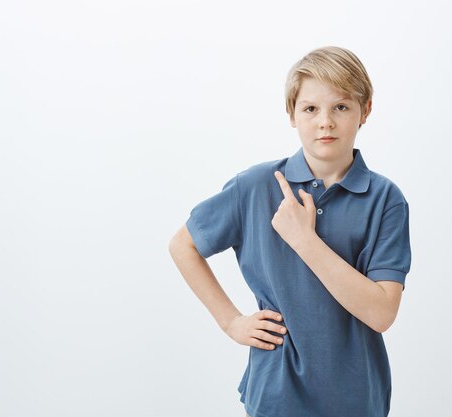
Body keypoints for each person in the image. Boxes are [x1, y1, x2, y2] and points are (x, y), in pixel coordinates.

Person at [168, 46, 411, 417]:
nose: (325, 122)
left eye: (341, 107)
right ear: (292, 114)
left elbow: (381, 313)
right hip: (276, 396)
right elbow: (182, 245)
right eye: (310, 109)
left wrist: (304, 240)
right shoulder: (253, 187)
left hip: (357, 398)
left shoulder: (385, 199)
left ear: (366, 110)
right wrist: (232, 321)